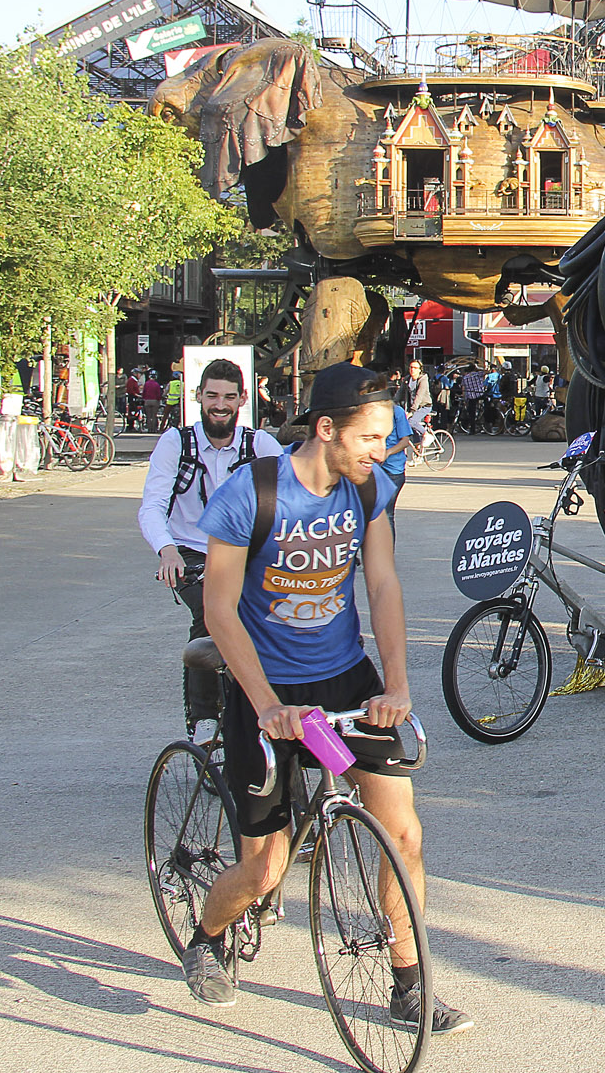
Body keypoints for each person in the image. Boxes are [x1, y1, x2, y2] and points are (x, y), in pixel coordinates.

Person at [181, 363, 472, 1034]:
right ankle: (207, 937)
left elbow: (383, 584)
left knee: (402, 834)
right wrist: (264, 704)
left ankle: (408, 983)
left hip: (344, 676)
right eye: (370, 437)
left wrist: (395, 685)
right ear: (325, 429)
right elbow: (219, 609)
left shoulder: (367, 490)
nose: (381, 449)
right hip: (267, 688)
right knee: (264, 870)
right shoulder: (248, 495)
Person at [137, 359, 283, 740]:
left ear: (242, 399)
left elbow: (291, 500)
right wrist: (165, 550)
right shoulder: (176, 443)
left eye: (229, 397)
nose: (220, 405)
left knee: (277, 619)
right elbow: (152, 504)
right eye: (212, 395)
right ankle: (204, 719)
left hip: (247, 552)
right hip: (190, 552)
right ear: (198, 396)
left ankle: (267, 705)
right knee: (211, 613)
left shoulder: (260, 444)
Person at [381, 378, 419, 536]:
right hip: (376, 469)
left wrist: (388, 452)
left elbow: (405, 441)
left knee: (387, 513)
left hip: (393, 471)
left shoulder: (397, 412)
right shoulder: (373, 414)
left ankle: (387, 555)